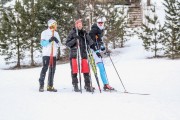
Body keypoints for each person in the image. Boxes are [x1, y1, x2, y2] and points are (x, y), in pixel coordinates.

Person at [66, 19, 100, 92]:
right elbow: (68, 44)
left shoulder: (84, 33)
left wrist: (96, 50)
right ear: (76, 25)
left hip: (83, 54)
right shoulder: (72, 33)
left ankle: (87, 86)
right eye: (78, 24)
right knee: (74, 71)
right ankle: (75, 85)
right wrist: (75, 39)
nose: (80, 26)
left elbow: (90, 42)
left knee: (86, 70)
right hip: (74, 55)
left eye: (81, 24)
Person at [89, 18, 115, 90]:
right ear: (97, 23)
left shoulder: (101, 30)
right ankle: (88, 85)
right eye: (99, 22)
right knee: (94, 68)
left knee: (101, 67)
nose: (100, 24)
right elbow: (90, 42)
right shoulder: (94, 30)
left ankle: (105, 84)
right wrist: (96, 50)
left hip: (97, 50)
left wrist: (102, 47)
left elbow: (99, 41)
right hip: (92, 51)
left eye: (101, 23)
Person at [38, 19, 61, 92]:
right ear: (51, 25)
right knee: (45, 69)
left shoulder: (56, 33)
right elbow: (42, 44)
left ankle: (50, 86)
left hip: (53, 55)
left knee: (52, 70)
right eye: (55, 24)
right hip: (46, 54)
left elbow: (60, 44)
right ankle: (41, 85)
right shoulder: (44, 32)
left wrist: (56, 40)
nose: (56, 26)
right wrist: (49, 40)